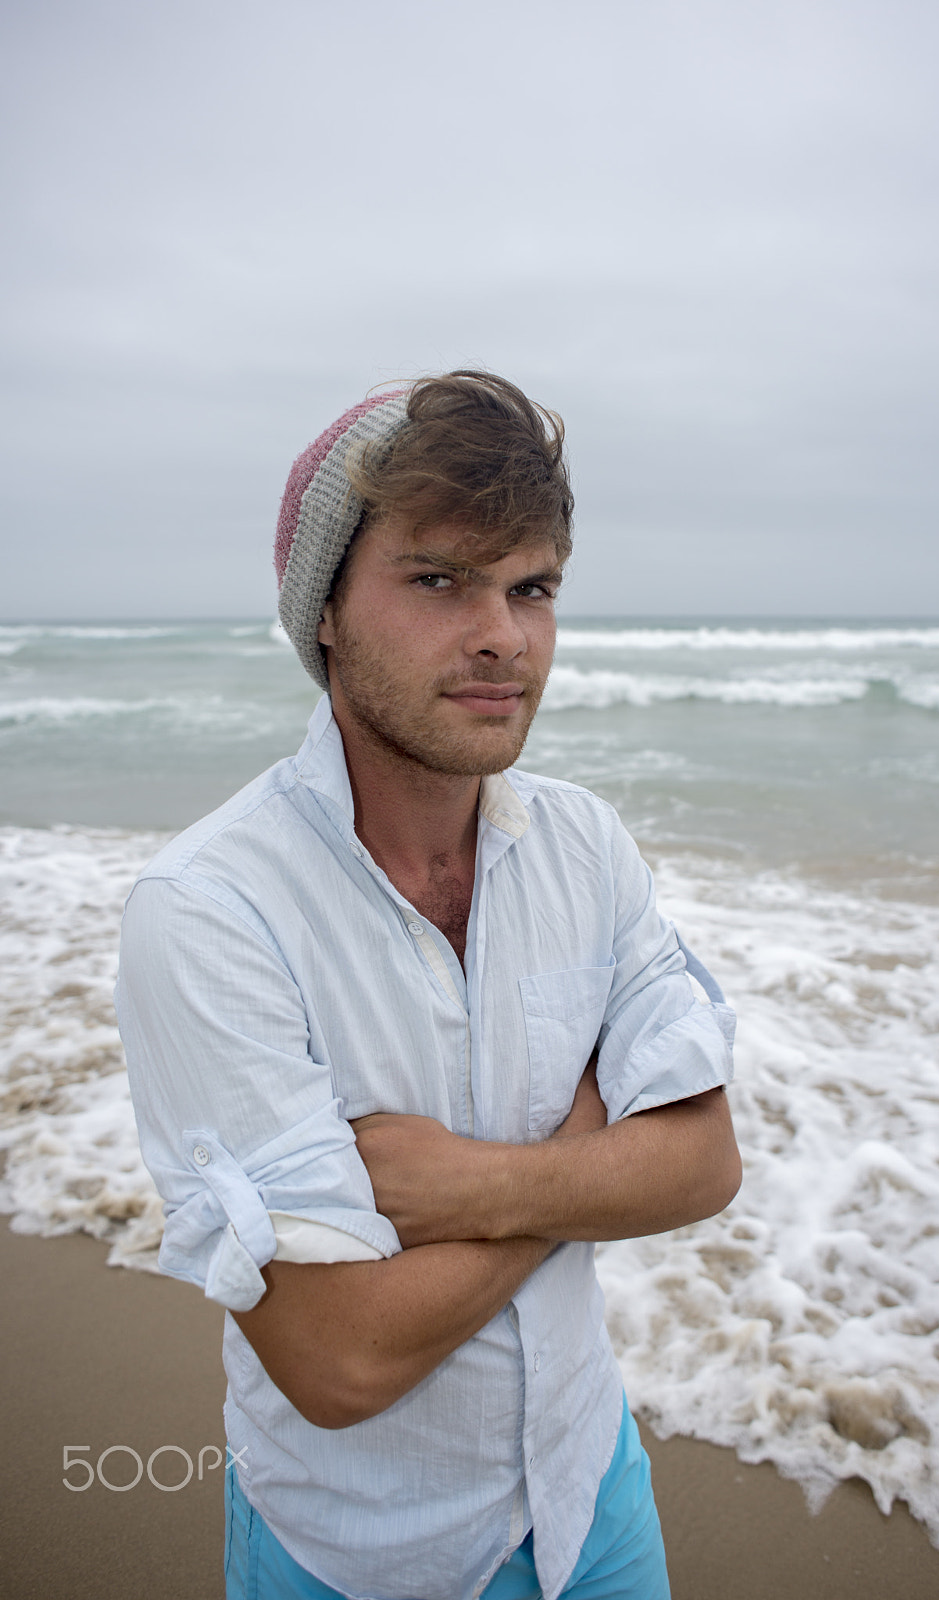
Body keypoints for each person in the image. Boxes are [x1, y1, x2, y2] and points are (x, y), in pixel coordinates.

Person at [115, 371, 741, 1600]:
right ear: (327, 613)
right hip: (353, 1553)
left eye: (533, 586)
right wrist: (585, 1154)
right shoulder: (210, 911)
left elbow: (705, 1160)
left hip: (591, 1497)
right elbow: (336, 1358)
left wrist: (470, 1184)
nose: (503, 631)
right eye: (440, 578)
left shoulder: (586, 846)